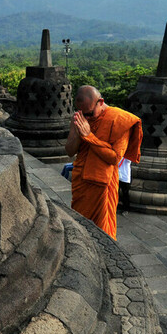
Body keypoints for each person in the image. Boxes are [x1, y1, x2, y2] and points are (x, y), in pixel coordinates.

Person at [65, 85, 142, 239]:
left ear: (100, 102)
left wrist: (89, 136)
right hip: (81, 182)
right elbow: (69, 151)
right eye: (83, 113)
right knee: (80, 227)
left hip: (102, 185)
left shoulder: (119, 120)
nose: (87, 117)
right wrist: (76, 132)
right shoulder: (81, 118)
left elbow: (115, 158)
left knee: (102, 233)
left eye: (90, 113)